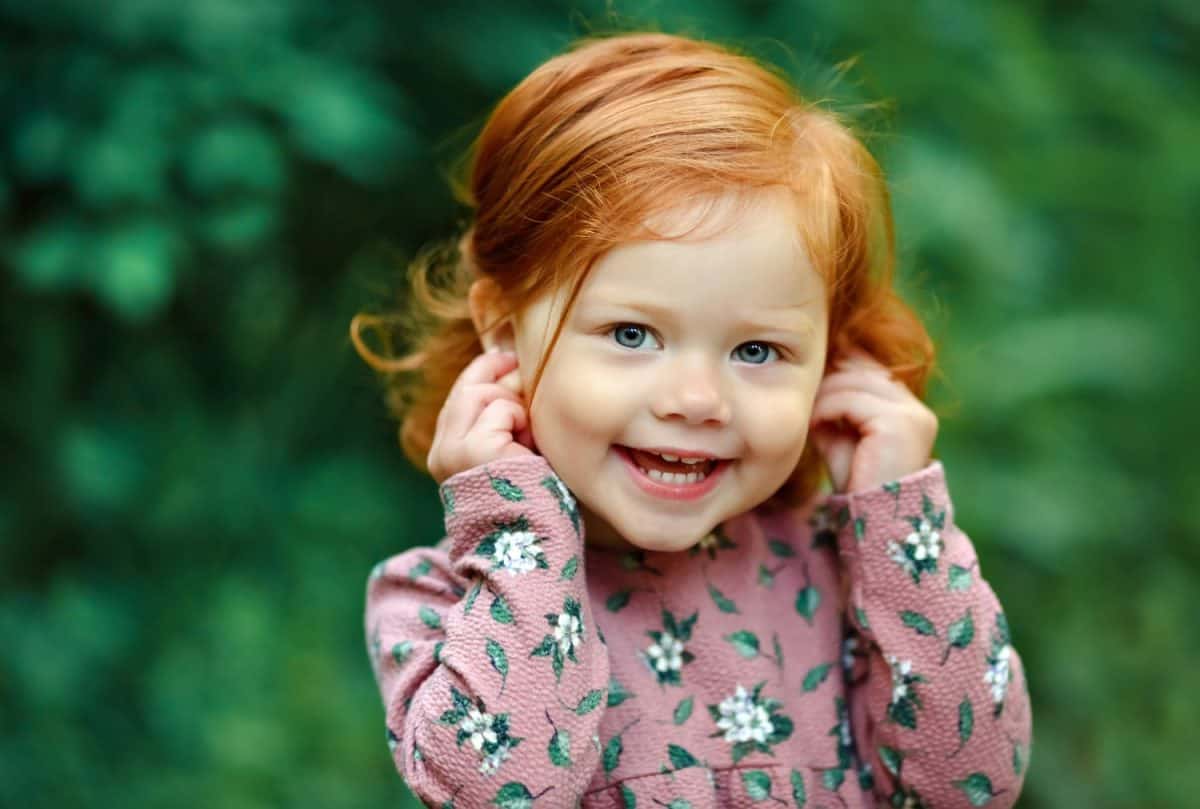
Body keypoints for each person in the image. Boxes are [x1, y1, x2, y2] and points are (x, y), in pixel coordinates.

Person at [351, 31, 1032, 809]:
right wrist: (515, 525)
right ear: (505, 332)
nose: (697, 399)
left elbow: (973, 785)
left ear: (830, 365)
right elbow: (503, 793)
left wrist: (904, 525)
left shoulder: (845, 575)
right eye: (633, 334)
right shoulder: (439, 603)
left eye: (757, 348)